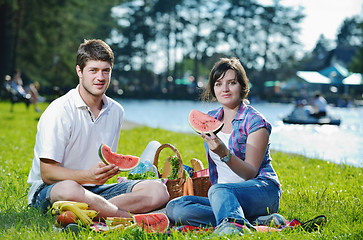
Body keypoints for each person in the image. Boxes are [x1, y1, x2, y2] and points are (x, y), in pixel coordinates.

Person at [27, 39, 169, 220]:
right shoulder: (59, 110)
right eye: (93, 70)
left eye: (105, 71)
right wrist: (87, 175)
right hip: (51, 190)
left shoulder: (116, 111)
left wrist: (106, 172)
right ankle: (126, 218)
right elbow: (47, 173)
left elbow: (104, 160)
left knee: (158, 190)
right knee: (69, 188)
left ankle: (82, 212)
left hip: (93, 190)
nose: (100, 78)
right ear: (79, 71)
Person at [166, 57, 281, 236]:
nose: (225, 89)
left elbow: (250, 172)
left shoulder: (255, 122)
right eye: (219, 84)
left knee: (218, 190)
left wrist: (224, 153)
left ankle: (233, 228)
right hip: (222, 196)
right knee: (176, 206)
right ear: (213, 88)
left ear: (242, 86)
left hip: (262, 191)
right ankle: (250, 220)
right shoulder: (212, 117)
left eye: (231, 83)